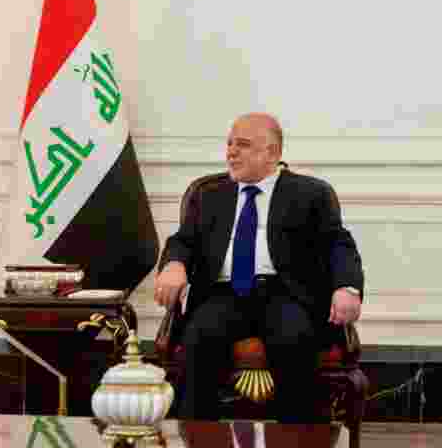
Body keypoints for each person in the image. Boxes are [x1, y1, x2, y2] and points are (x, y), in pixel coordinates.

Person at [154, 113, 364, 423]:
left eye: (243, 145)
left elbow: (338, 243)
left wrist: (347, 288)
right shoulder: (209, 195)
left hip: (285, 295)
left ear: (272, 153)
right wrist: (173, 265)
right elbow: (184, 240)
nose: (231, 152)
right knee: (199, 340)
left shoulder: (310, 194)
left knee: (295, 340)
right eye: (229, 144)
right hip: (223, 295)